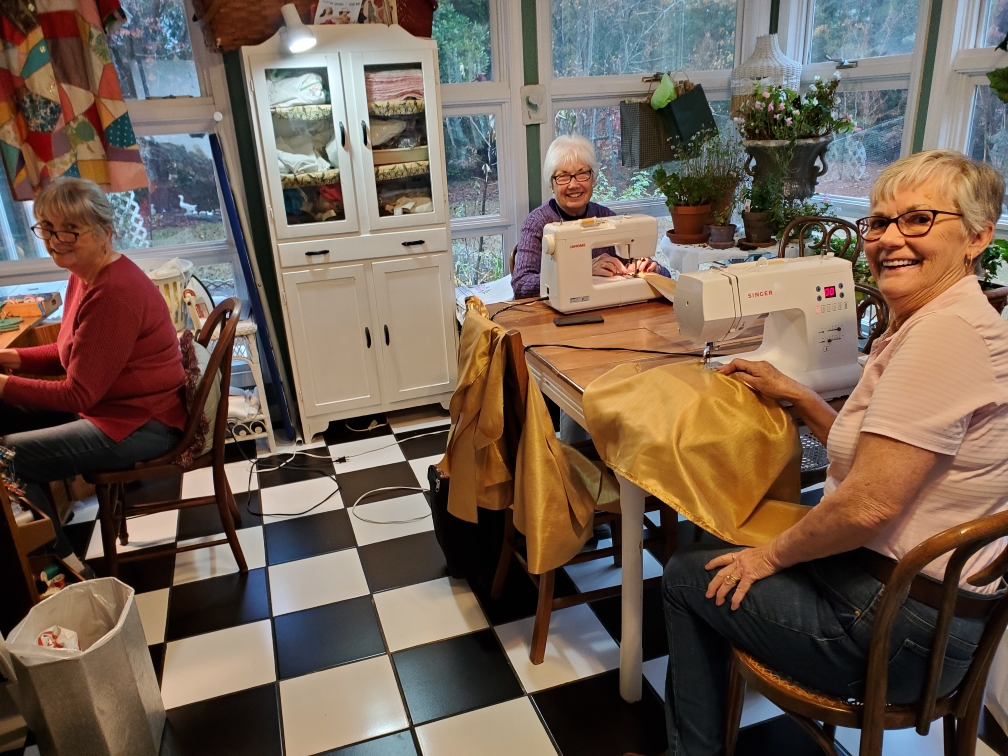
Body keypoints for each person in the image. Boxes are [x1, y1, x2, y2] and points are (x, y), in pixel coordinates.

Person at [630, 150, 1008, 756]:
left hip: (896, 631)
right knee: (749, 533)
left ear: (977, 236)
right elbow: (886, 455)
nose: (889, 239)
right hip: (923, 606)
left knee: (684, 574)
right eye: (879, 222)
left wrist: (768, 560)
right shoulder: (954, 318)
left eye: (917, 220)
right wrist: (803, 398)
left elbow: (867, 505)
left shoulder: (945, 337)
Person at [0, 178, 187, 578]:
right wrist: (9, 358)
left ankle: (63, 570)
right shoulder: (82, 276)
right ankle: (27, 547)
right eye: (47, 227)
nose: (55, 239)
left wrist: (3, 381)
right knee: (6, 413)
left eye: (69, 229)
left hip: (143, 422)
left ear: (105, 231)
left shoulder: (113, 292)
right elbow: (71, 352)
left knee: (8, 461)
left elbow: (78, 394)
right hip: (115, 407)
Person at [511, 134, 669, 299]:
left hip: (603, 308)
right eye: (563, 176)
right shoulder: (537, 223)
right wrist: (582, 272)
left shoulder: (606, 216)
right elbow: (521, 285)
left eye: (582, 174)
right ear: (551, 184)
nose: (573, 185)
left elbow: (665, 277)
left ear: (592, 178)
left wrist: (654, 270)